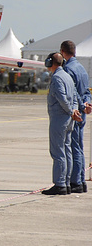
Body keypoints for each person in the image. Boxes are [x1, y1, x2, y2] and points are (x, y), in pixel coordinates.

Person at [42, 52, 82, 195]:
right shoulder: (68, 76)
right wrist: (75, 111)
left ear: (50, 62)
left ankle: (60, 184)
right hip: (69, 119)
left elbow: (62, 98)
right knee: (67, 151)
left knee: (58, 152)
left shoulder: (58, 77)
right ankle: (66, 183)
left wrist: (71, 111)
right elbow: (75, 97)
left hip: (60, 119)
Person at [60, 40, 92, 193]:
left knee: (73, 148)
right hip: (82, 112)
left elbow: (71, 92)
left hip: (75, 113)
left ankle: (76, 182)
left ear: (62, 51)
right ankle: (81, 180)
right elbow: (86, 92)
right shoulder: (81, 68)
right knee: (79, 146)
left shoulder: (67, 69)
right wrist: (87, 104)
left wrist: (80, 107)